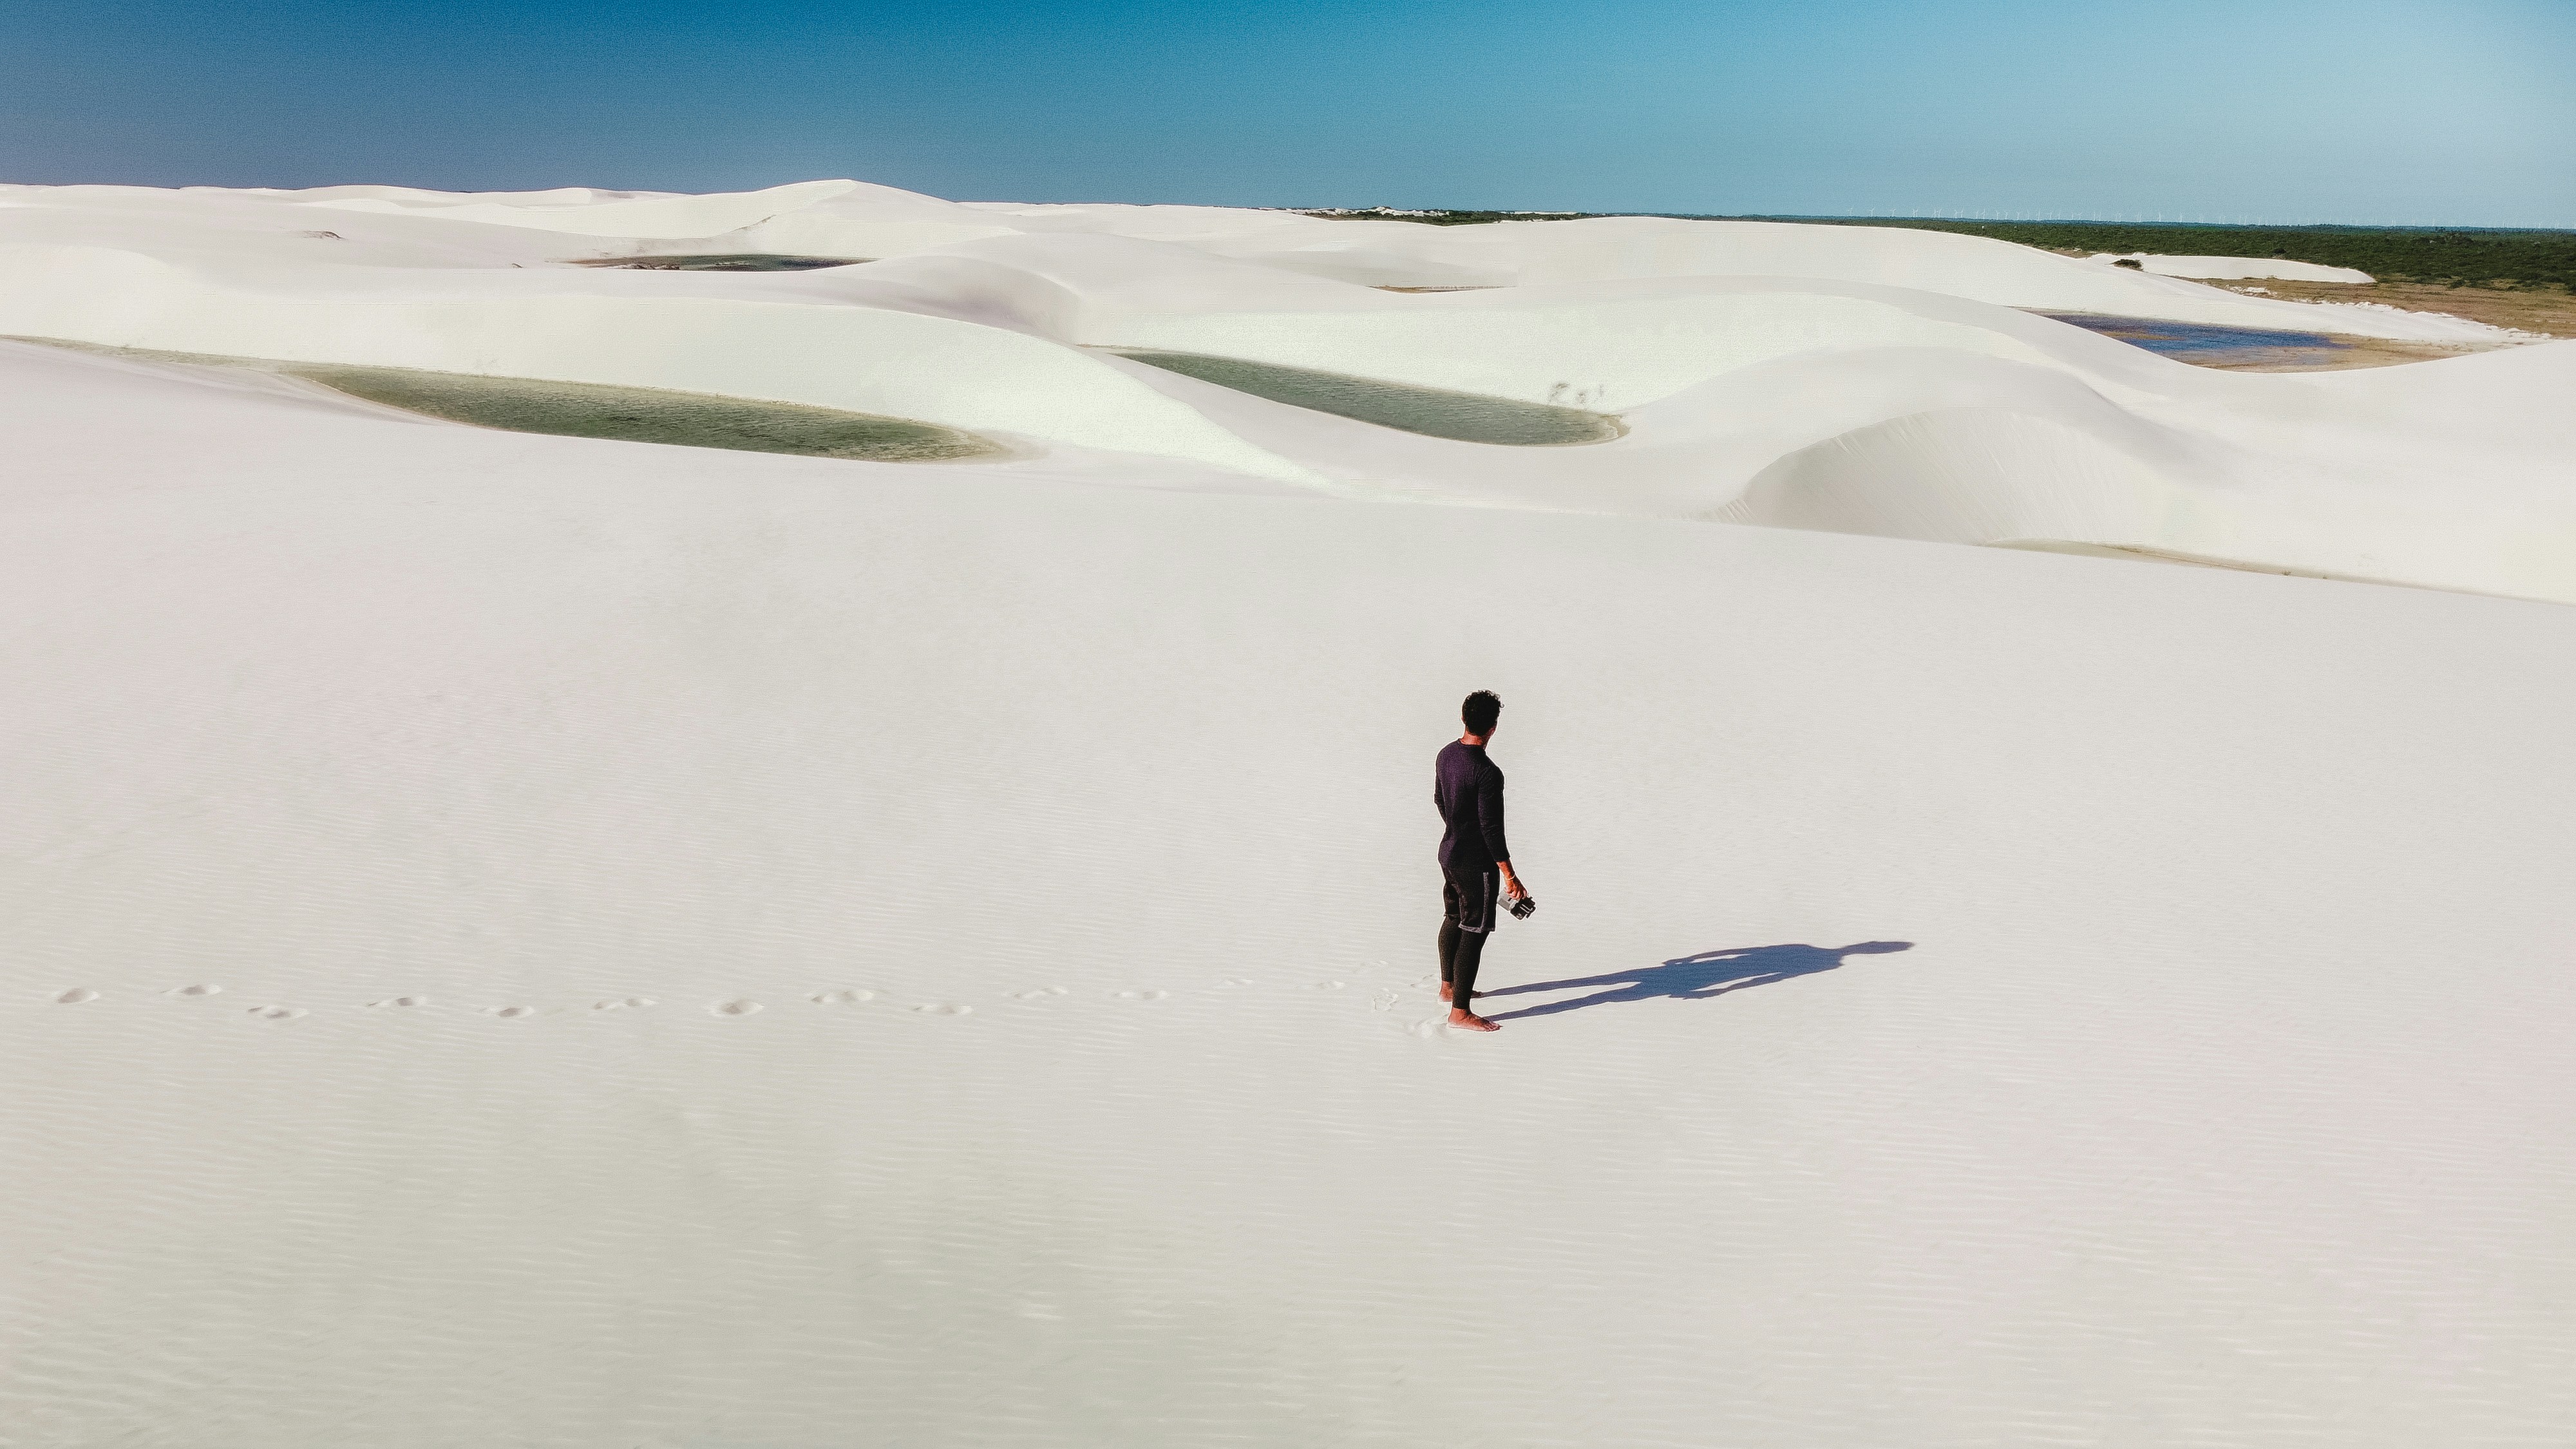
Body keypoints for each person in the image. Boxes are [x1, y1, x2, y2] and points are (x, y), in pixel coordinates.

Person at [1434, 690, 1527, 1032]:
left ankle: (1448, 988)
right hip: (1476, 864)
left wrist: (1456, 828)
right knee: (1474, 931)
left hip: (1449, 852)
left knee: (1453, 917)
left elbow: (1438, 799)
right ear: (1494, 727)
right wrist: (1509, 875)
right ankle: (1459, 1011)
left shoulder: (1446, 754)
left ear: (1463, 718)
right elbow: (1491, 829)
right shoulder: (1488, 772)